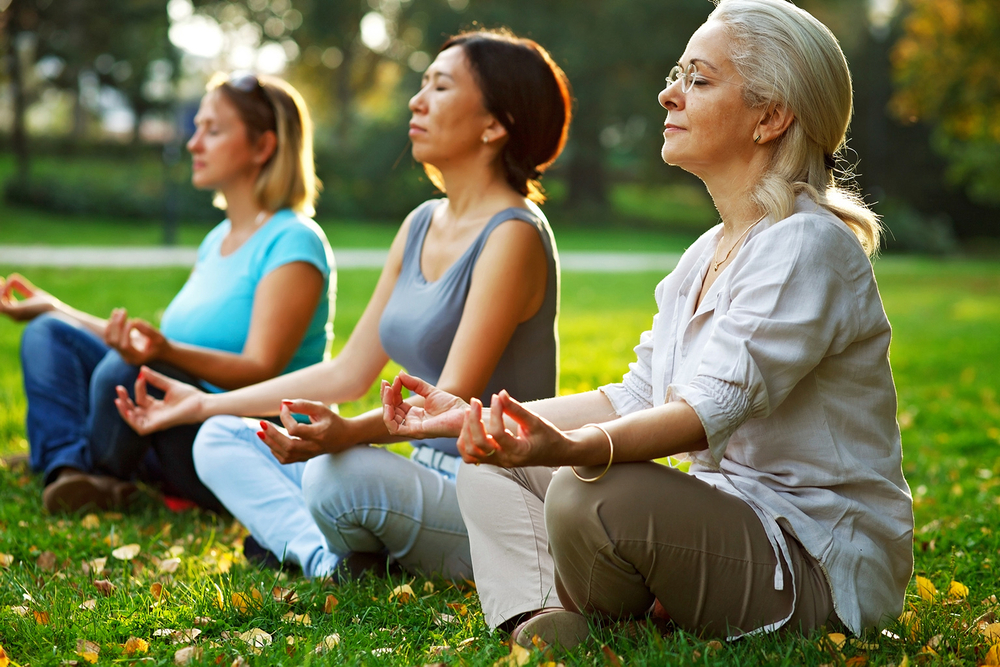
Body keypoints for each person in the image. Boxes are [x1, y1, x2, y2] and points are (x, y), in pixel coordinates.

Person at [381, 0, 913, 648]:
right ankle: (542, 618)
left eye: (698, 79)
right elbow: (636, 395)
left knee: (588, 494)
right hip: (726, 524)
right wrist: (494, 420)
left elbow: (701, 411)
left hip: (810, 563)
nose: (668, 94)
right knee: (489, 464)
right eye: (676, 75)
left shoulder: (807, 245)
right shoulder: (706, 252)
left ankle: (624, 607)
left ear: (770, 117)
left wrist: (570, 449)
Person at [113, 29, 573, 580]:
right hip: (415, 477)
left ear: (495, 125)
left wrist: (346, 434)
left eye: (441, 86)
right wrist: (202, 405)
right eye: (422, 82)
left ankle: (316, 543)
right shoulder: (421, 223)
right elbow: (348, 372)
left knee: (339, 475)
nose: (416, 99)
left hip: (487, 500)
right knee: (221, 437)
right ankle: (326, 557)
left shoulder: (514, 236)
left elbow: (447, 408)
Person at [0, 72, 333, 514]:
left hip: (241, 441)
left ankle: (82, 465)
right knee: (49, 333)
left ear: (263, 147)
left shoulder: (294, 241)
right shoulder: (217, 241)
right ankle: (71, 470)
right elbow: (153, 349)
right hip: (175, 419)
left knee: (133, 369)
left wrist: (163, 352)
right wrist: (57, 308)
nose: (194, 143)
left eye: (212, 131)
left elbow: (261, 368)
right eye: (197, 128)